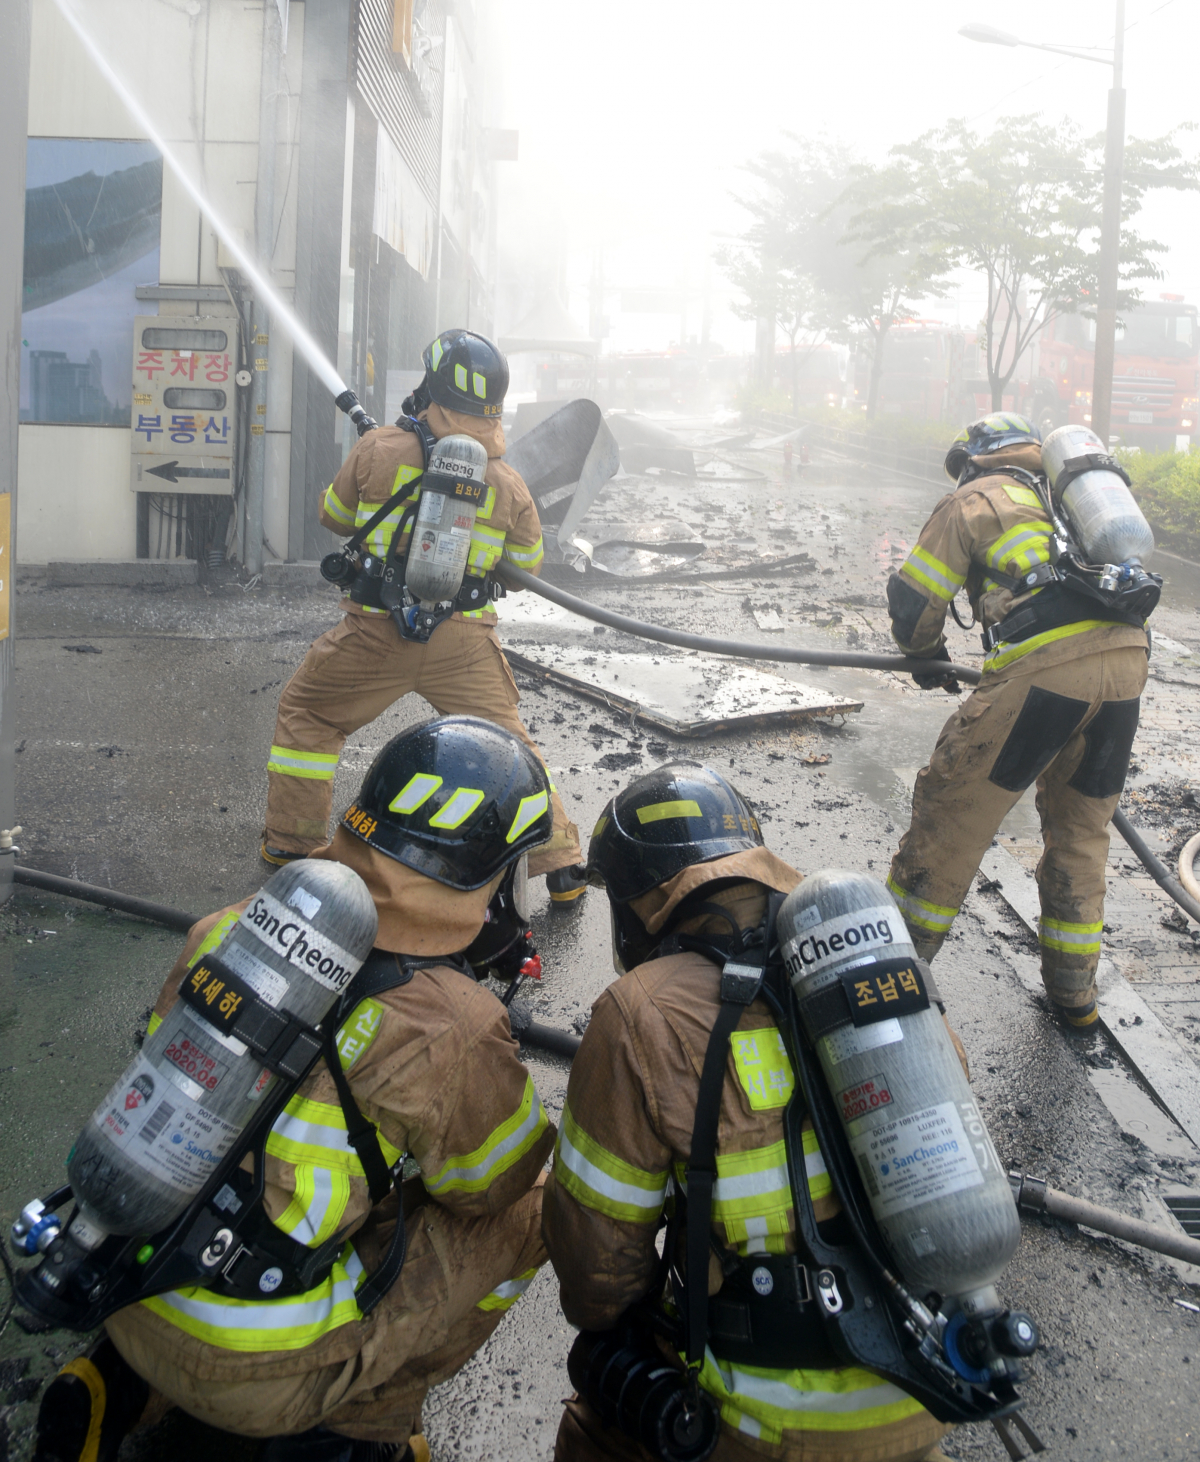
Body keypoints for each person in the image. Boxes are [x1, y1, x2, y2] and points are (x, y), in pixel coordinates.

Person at [36, 717, 555, 1462]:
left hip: (125, 1284)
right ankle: (365, 1424)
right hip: (259, 1372)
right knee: (534, 1204)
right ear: (488, 870)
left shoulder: (234, 927)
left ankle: (114, 1382)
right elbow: (488, 1187)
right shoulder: (453, 1024)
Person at [542, 760, 951, 1462]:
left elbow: (597, 1268)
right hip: (928, 1385)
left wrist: (625, 1332)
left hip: (765, 1419)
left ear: (638, 901)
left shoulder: (641, 1012)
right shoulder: (867, 963)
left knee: (594, 1422)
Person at [262, 327, 585, 906]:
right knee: (512, 746)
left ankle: (291, 844)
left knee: (308, 715)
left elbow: (334, 516)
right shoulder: (507, 481)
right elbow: (528, 563)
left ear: (430, 388)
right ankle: (560, 861)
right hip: (462, 642)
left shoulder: (380, 448)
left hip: (375, 634)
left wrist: (382, 460)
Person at [884, 412, 1150, 1031]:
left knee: (951, 816)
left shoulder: (973, 498)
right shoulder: (1074, 503)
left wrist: (923, 655)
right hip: (1127, 666)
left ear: (974, 460)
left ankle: (885, 983)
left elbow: (917, 598)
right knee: (1082, 835)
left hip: (1046, 670)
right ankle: (1075, 999)